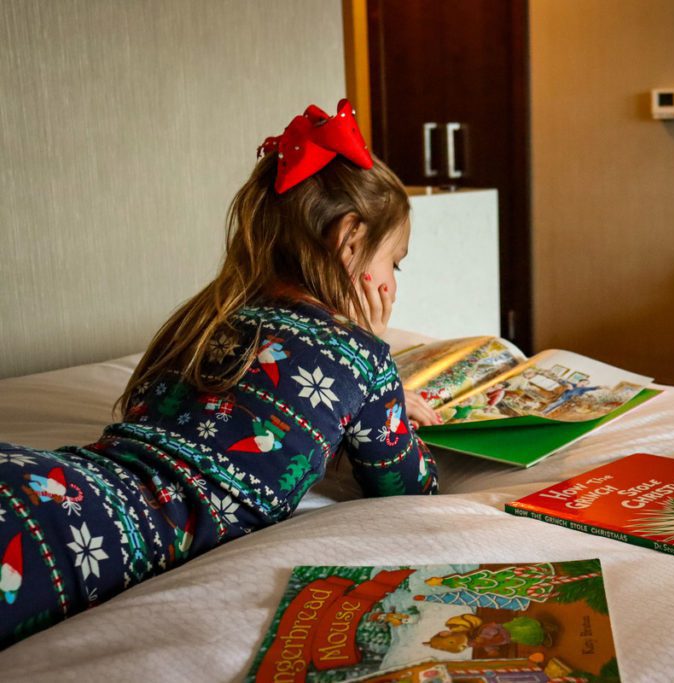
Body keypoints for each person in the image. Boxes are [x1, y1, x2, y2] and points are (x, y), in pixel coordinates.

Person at [0, 99, 441, 648]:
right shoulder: (362, 356)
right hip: (106, 527)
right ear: (350, 241)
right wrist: (386, 389)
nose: (393, 284)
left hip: (61, 474)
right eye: (392, 262)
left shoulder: (209, 319)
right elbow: (409, 484)